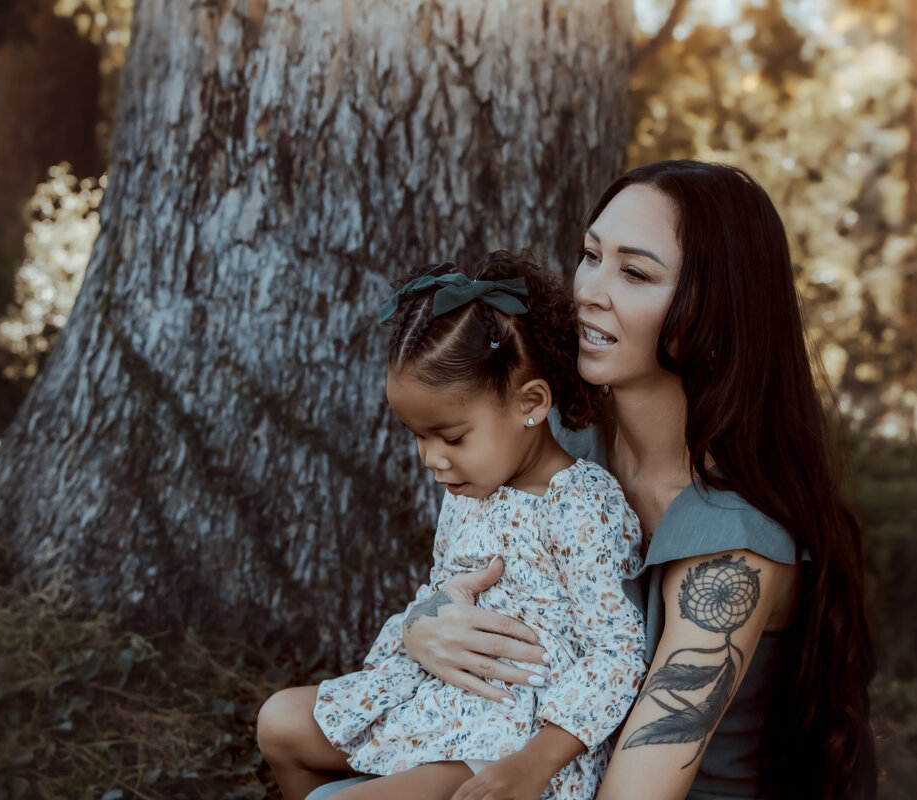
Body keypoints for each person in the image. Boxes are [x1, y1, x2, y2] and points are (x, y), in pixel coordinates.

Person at [400, 161, 878, 799]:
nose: (590, 290)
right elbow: (458, 584)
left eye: (634, 272)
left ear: (715, 309)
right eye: (590, 255)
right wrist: (425, 626)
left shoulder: (732, 545)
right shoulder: (561, 451)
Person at [256, 251, 648, 800]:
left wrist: (535, 762)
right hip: (442, 695)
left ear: (531, 403)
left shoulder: (582, 505)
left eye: (452, 437)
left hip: (513, 737)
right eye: (417, 435)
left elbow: (618, 654)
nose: (431, 459)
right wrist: (427, 618)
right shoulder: (471, 489)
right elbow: (442, 589)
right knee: (279, 721)